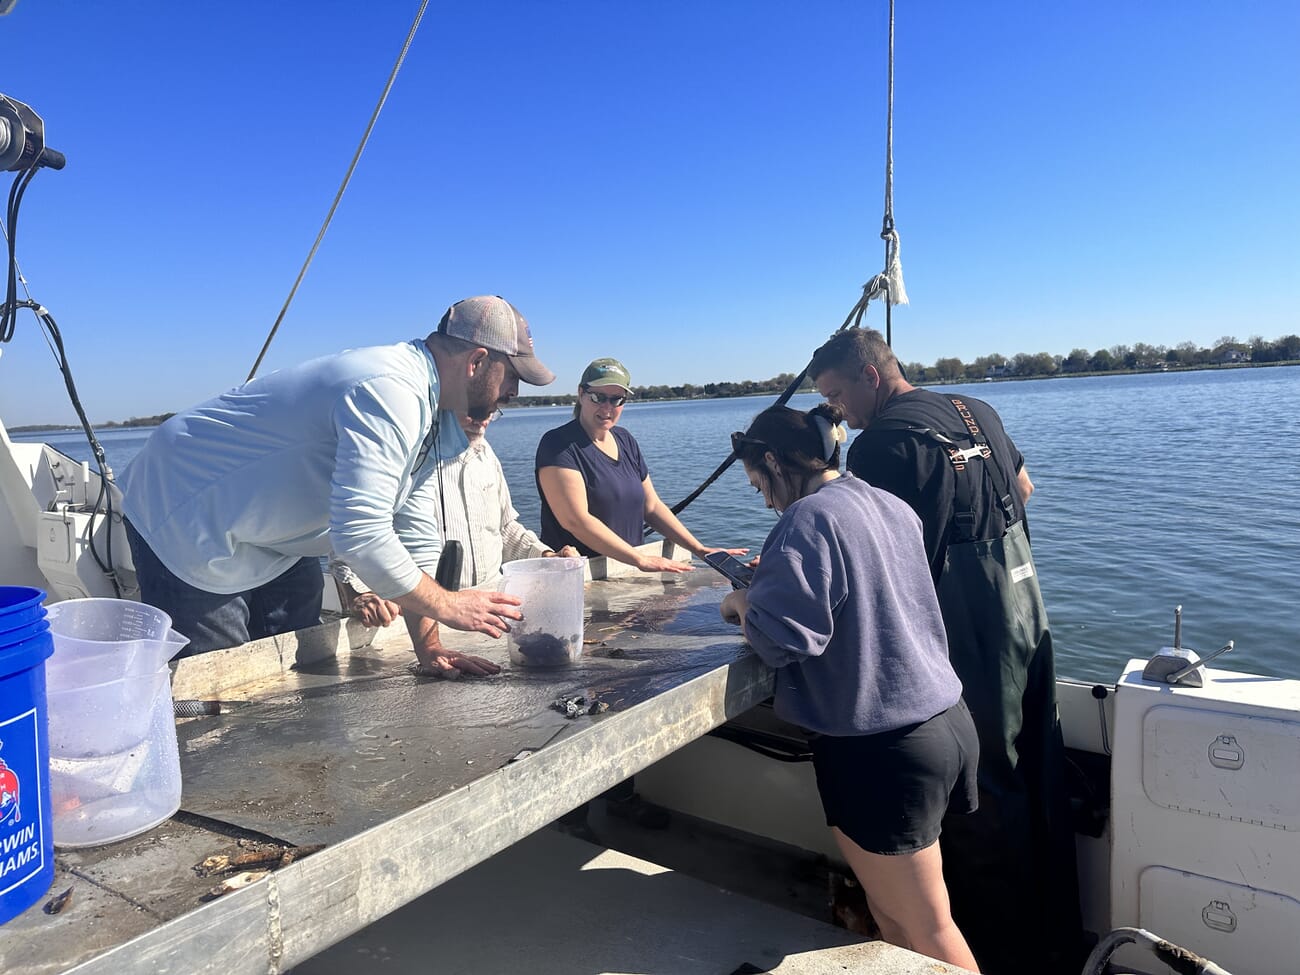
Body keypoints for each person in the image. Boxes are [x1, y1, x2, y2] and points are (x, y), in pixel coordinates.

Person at [808, 327, 1083, 975]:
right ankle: (1056, 940)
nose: (838, 412)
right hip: (1026, 619)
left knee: (980, 800)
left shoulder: (882, 444)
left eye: (838, 393)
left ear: (869, 376)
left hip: (965, 640)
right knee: (1036, 773)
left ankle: (989, 953)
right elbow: (1026, 489)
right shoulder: (973, 408)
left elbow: (871, 561)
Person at [120, 295, 554, 677]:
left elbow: (415, 530)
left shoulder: (437, 413)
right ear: (476, 362)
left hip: (277, 539)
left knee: (300, 668)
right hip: (187, 512)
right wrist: (447, 604)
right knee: (222, 685)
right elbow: (361, 534)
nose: (513, 392)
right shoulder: (388, 389)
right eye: (512, 375)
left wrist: (430, 647)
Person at [719, 403, 980, 970]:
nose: (764, 498)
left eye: (759, 482)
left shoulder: (806, 518)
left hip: (883, 749)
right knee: (898, 924)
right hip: (945, 722)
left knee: (925, 932)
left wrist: (742, 602)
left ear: (772, 460)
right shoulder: (884, 502)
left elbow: (785, 639)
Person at [333, 408, 578, 637]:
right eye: (474, 411)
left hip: (489, 614)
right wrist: (359, 593)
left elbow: (505, 529)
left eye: (490, 412)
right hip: (415, 620)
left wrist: (545, 556)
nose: (483, 421)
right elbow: (353, 530)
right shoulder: (405, 456)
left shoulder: (486, 455)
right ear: (446, 403)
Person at [535, 357, 744, 572]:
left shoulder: (625, 440)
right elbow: (575, 520)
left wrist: (701, 550)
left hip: (625, 573)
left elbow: (651, 506)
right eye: (598, 397)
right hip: (576, 577)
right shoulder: (558, 445)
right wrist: (640, 559)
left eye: (617, 399)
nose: (607, 407)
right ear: (581, 393)